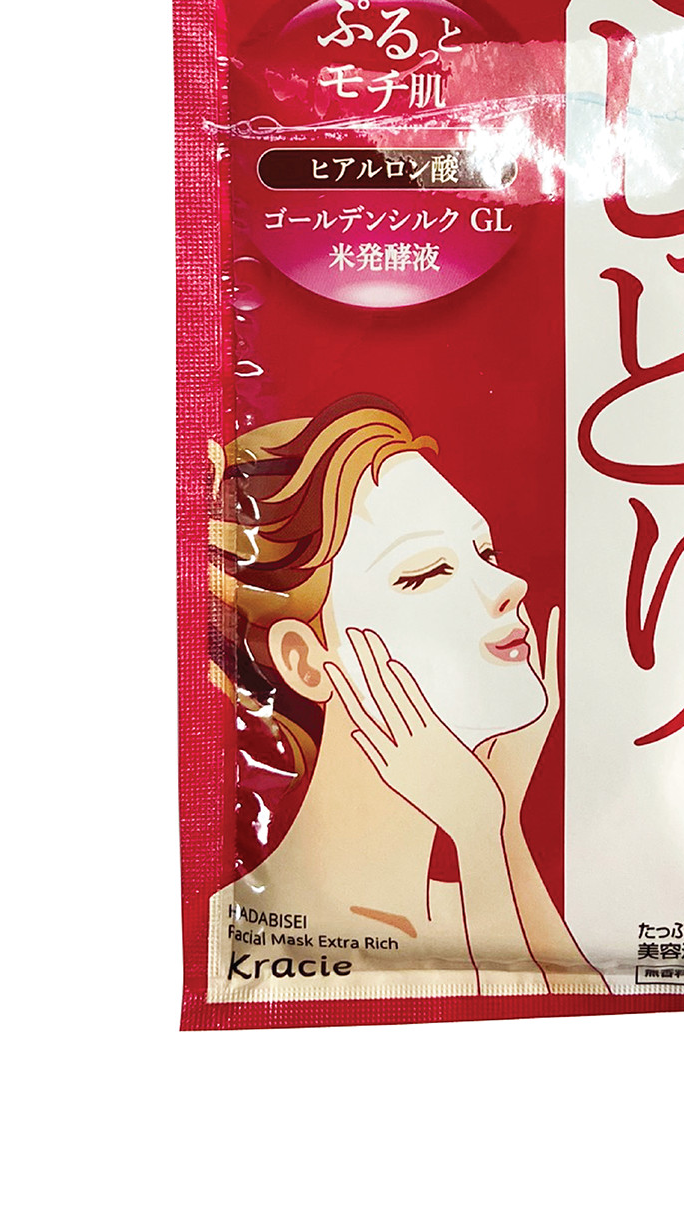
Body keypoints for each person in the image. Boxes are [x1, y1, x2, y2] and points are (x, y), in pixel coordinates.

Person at [208, 393, 606, 1000]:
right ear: (306, 661)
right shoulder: (257, 945)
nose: (510, 585)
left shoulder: (472, 898)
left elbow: (585, 1020)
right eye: (426, 573)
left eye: (486, 553)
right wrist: (480, 838)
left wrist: (497, 823)